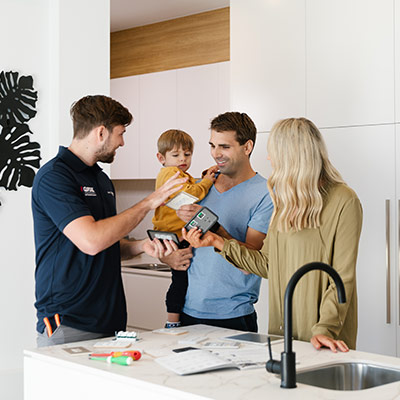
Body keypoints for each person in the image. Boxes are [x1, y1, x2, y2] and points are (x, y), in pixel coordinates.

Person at [183, 117, 363, 352]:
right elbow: (267, 264)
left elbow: (342, 277)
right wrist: (217, 241)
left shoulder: (344, 200)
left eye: (273, 152)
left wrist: (324, 329)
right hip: (282, 331)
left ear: (292, 154)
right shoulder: (284, 201)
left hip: (324, 337)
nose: (269, 158)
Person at [32, 95, 186, 347]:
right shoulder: (54, 177)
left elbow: (107, 241)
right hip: (69, 321)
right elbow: (91, 241)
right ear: (101, 132)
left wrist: (140, 247)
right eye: (120, 133)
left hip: (110, 320)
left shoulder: (102, 180)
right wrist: (150, 202)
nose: (123, 142)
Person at [163, 112, 274, 332]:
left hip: (234, 315)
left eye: (224, 147)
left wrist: (213, 228)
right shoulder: (199, 185)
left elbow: (255, 258)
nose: (216, 154)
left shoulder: (266, 193)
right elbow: (173, 241)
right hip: (186, 311)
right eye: (212, 146)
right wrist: (169, 257)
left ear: (247, 146)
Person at [152, 129, 218, 328]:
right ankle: (172, 322)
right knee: (180, 281)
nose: (183, 158)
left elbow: (191, 187)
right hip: (172, 235)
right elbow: (192, 194)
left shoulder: (180, 174)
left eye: (187, 154)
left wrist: (203, 177)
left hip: (172, 233)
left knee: (181, 279)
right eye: (176, 155)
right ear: (161, 158)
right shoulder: (170, 173)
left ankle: (174, 319)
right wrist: (207, 181)